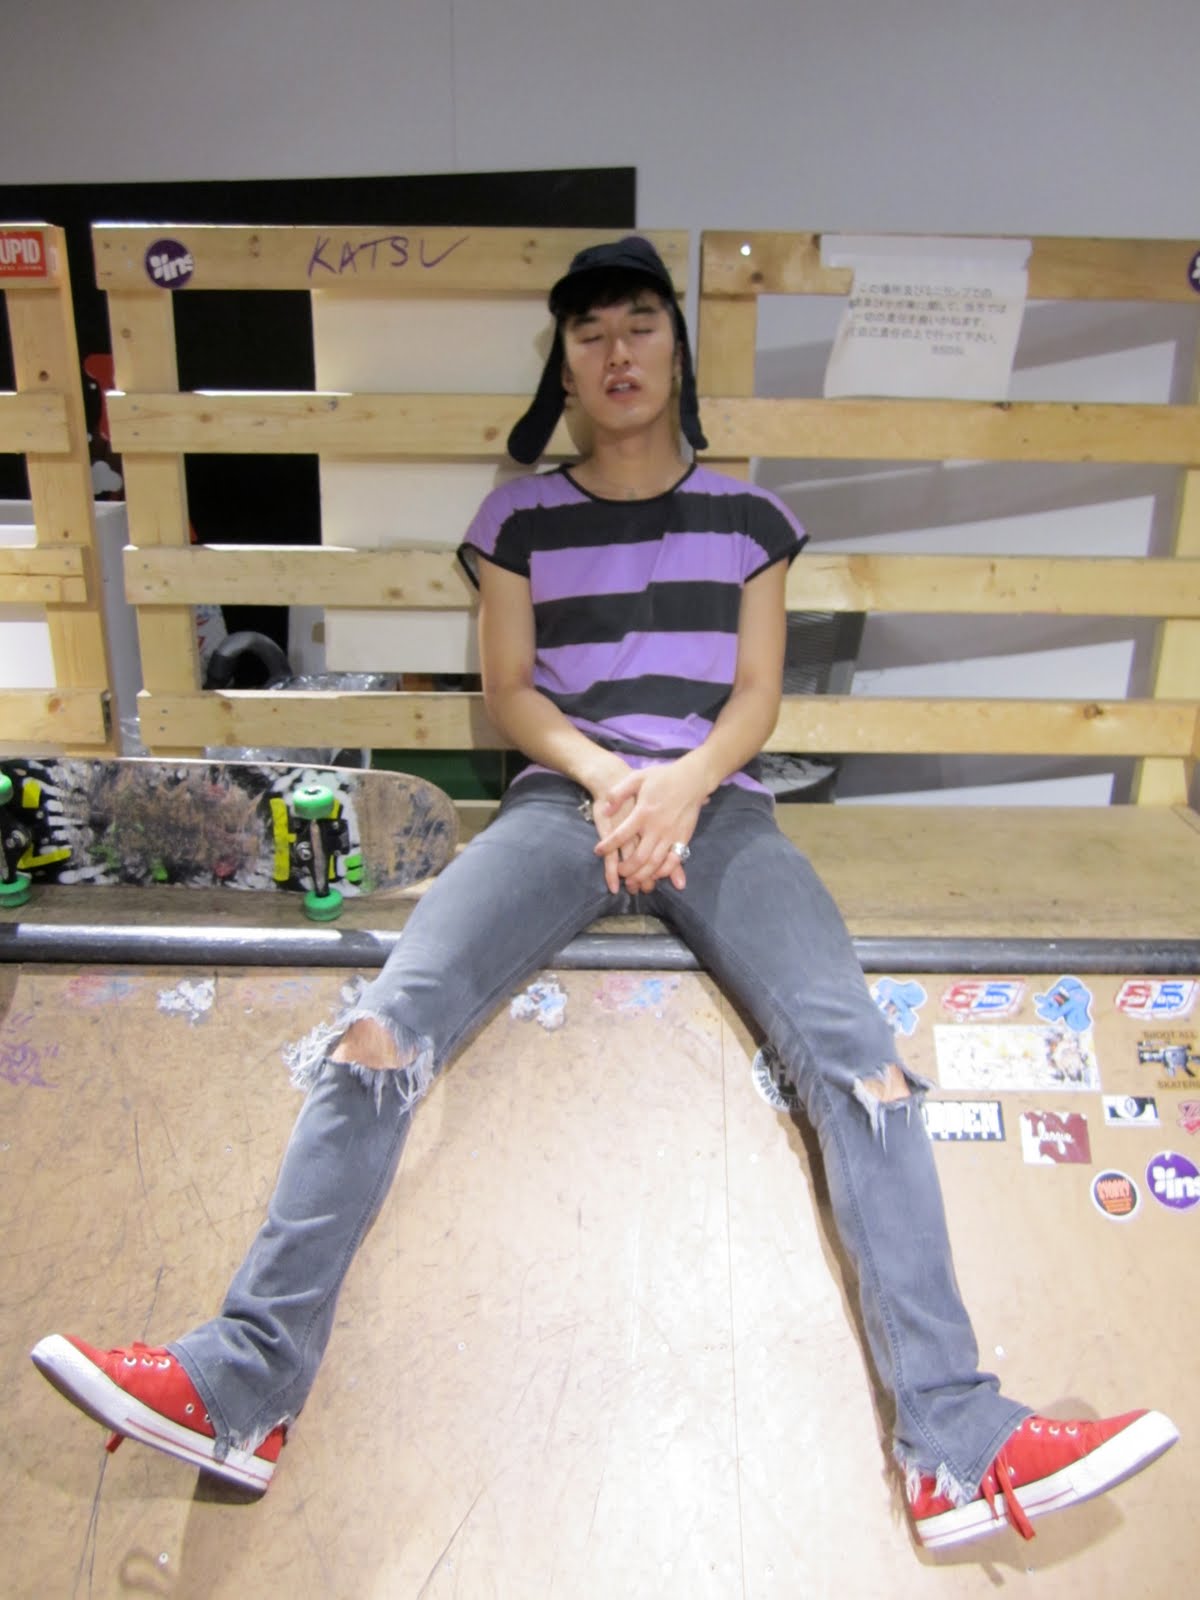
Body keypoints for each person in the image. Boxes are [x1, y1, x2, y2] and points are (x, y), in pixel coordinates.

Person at [32, 237, 1177, 1550]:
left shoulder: (750, 519)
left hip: (720, 811)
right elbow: (514, 694)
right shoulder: (517, 521)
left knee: (862, 1063)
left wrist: (681, 786)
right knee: (382, 1029)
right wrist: (612, 784)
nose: (617, 351)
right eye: (589, 333)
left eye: (639, 323)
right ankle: (242, 1380)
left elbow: (757, 699)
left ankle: (957, 1442)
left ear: (675, 349)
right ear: (565, 368)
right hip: (560, 807)